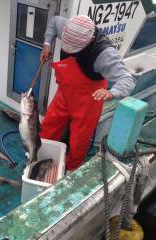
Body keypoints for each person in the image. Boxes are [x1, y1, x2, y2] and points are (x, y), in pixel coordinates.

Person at [39, 15, 136, 172]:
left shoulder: (104, 53)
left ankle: (72, 168)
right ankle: (41, 153)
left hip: (90, 99)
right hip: (65, 92)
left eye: (73, 49)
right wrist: (47, 44)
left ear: (89, 41)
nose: (66, 50)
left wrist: (112, 92)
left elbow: (128, 79)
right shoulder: (66, 26)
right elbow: (54, 21)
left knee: (80, 138)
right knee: (49, 124)